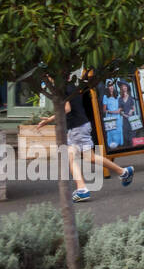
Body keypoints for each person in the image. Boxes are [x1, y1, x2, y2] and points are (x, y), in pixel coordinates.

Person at [35, 72, 134, 202]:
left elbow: (66, 108)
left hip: (77, 128)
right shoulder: (72, 87)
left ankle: (82, 189)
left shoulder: (62, 89)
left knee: (71, 157)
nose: (47, 79)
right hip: (80, 126)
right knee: (87, 157)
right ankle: (123, 172)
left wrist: (49, 120)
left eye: (48, 76)